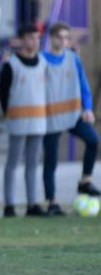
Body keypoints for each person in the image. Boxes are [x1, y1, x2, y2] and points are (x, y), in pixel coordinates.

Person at [41, 22, 99, 216]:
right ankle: (52, 202)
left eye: (67, 37)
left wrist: (88, 108)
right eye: (61, 37)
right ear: (52, 38)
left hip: (73, 115)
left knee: (93, 140)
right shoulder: (42, 60)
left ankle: (85, 181)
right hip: (51, 118)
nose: (65, 41)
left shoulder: (73, 59)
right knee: (51, 160)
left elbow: (83, 85)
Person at [0, 24, 48, 217]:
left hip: (38, 121)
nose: (34, 41)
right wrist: (8, 114)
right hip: (18, 121)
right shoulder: (11, 64)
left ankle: (32, 204)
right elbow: (2, 93)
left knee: (33, 163)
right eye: (30, 37)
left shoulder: (43, 63)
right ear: (22, 40)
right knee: (12, 163)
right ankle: (9, 205)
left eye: (37, 38)